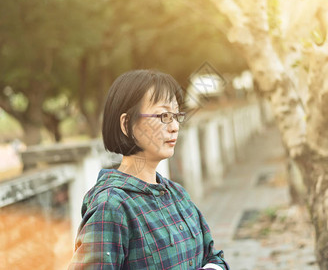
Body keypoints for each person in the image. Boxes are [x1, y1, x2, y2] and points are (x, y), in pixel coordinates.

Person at [69, 70, 229, 270]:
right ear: (127, 124)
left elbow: (212, 256)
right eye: (163, 116)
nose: (174, 127)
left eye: (176, 115)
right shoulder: (111, 207)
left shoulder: (177, 195)